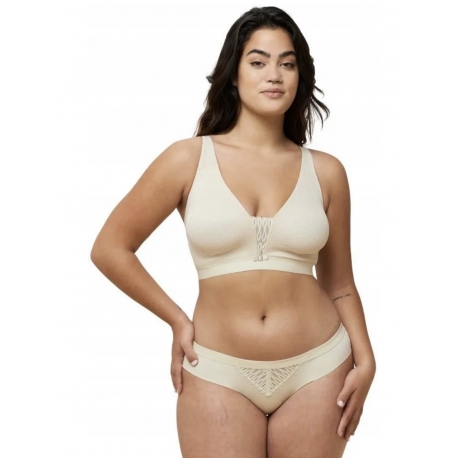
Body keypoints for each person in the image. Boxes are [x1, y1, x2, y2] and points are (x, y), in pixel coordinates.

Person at [90, 6, 376, 458]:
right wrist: (177, 319)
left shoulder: (326, 172)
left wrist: (367, 359)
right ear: (234, 74)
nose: (274, 75)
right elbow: (110, 248)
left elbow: (340, 283)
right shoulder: (187, 159)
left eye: (287, 63)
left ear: (300, 76)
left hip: (319, 366)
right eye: (258, 61)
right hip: (216, 368)